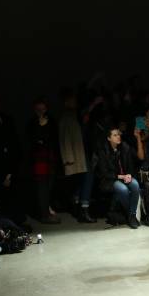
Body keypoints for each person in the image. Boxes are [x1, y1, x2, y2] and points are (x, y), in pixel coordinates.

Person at [58, 89, 96, 223]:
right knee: (87, 178)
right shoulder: (66, 116)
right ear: (67, 101)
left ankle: (78, 204)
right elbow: (64, 138)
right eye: (73, 100)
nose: (75, 102)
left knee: (85, 179)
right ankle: (82, 209)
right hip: (76, 155)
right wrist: (68, 158)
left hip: (80, 153)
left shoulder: (72, 115)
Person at [94, 128, 140, 229]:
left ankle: (132, 215)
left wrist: (129, 175)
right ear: (109, 138)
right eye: (115, 135)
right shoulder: (103, 151)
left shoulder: (125, 147)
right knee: (122, 189)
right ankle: (131, 215)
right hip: (110, 179)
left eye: (118, 134)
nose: (118, 136)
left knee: (135, 185)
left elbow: (131, 165)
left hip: (125, 177)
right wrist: (120, 176)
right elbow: (104, 172)